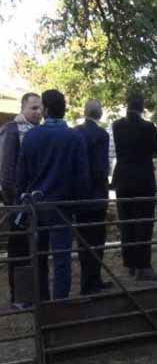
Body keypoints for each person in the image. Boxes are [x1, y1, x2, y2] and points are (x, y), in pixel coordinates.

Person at [17, 89, 90, 300]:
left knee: (38, 257)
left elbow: (22, 174)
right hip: (62, 207)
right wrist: (79, 205)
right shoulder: (74, 137)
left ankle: (41, 301)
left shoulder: (31, 136)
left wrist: (19, 204)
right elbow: (82, 176)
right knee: (61, 259)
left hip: (36, 206)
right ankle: (60, 304)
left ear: (46, 110)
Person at [112, 90, 157, 281]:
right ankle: (143, 266)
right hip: (143, 179)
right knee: (143, 222)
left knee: (126, 222)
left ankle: (131, 264)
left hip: (122, 179)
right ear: (142, 107)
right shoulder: (147, 127)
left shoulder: (116, 125)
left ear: (126, 104)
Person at [0, 92, 42, 307]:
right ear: (22, 107)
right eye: (33, 108)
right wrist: (15, 204)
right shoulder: (12, 129)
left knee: (30, 250)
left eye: (40, 108)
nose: (38, 112)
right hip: (19, 204)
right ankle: (19, 297)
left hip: (32, 202)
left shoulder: (35, 130)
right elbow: (6, 172)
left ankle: (29, 295)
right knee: (19, 251)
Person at [75, 99, 111, 294]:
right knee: (97, 240)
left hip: (80, 196)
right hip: (96, 195)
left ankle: (88, 281)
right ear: (100, 114)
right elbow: (101, 168)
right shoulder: (102, 134)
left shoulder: (75, 132)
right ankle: (93, 281)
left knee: (83, 241)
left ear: (84, 112)